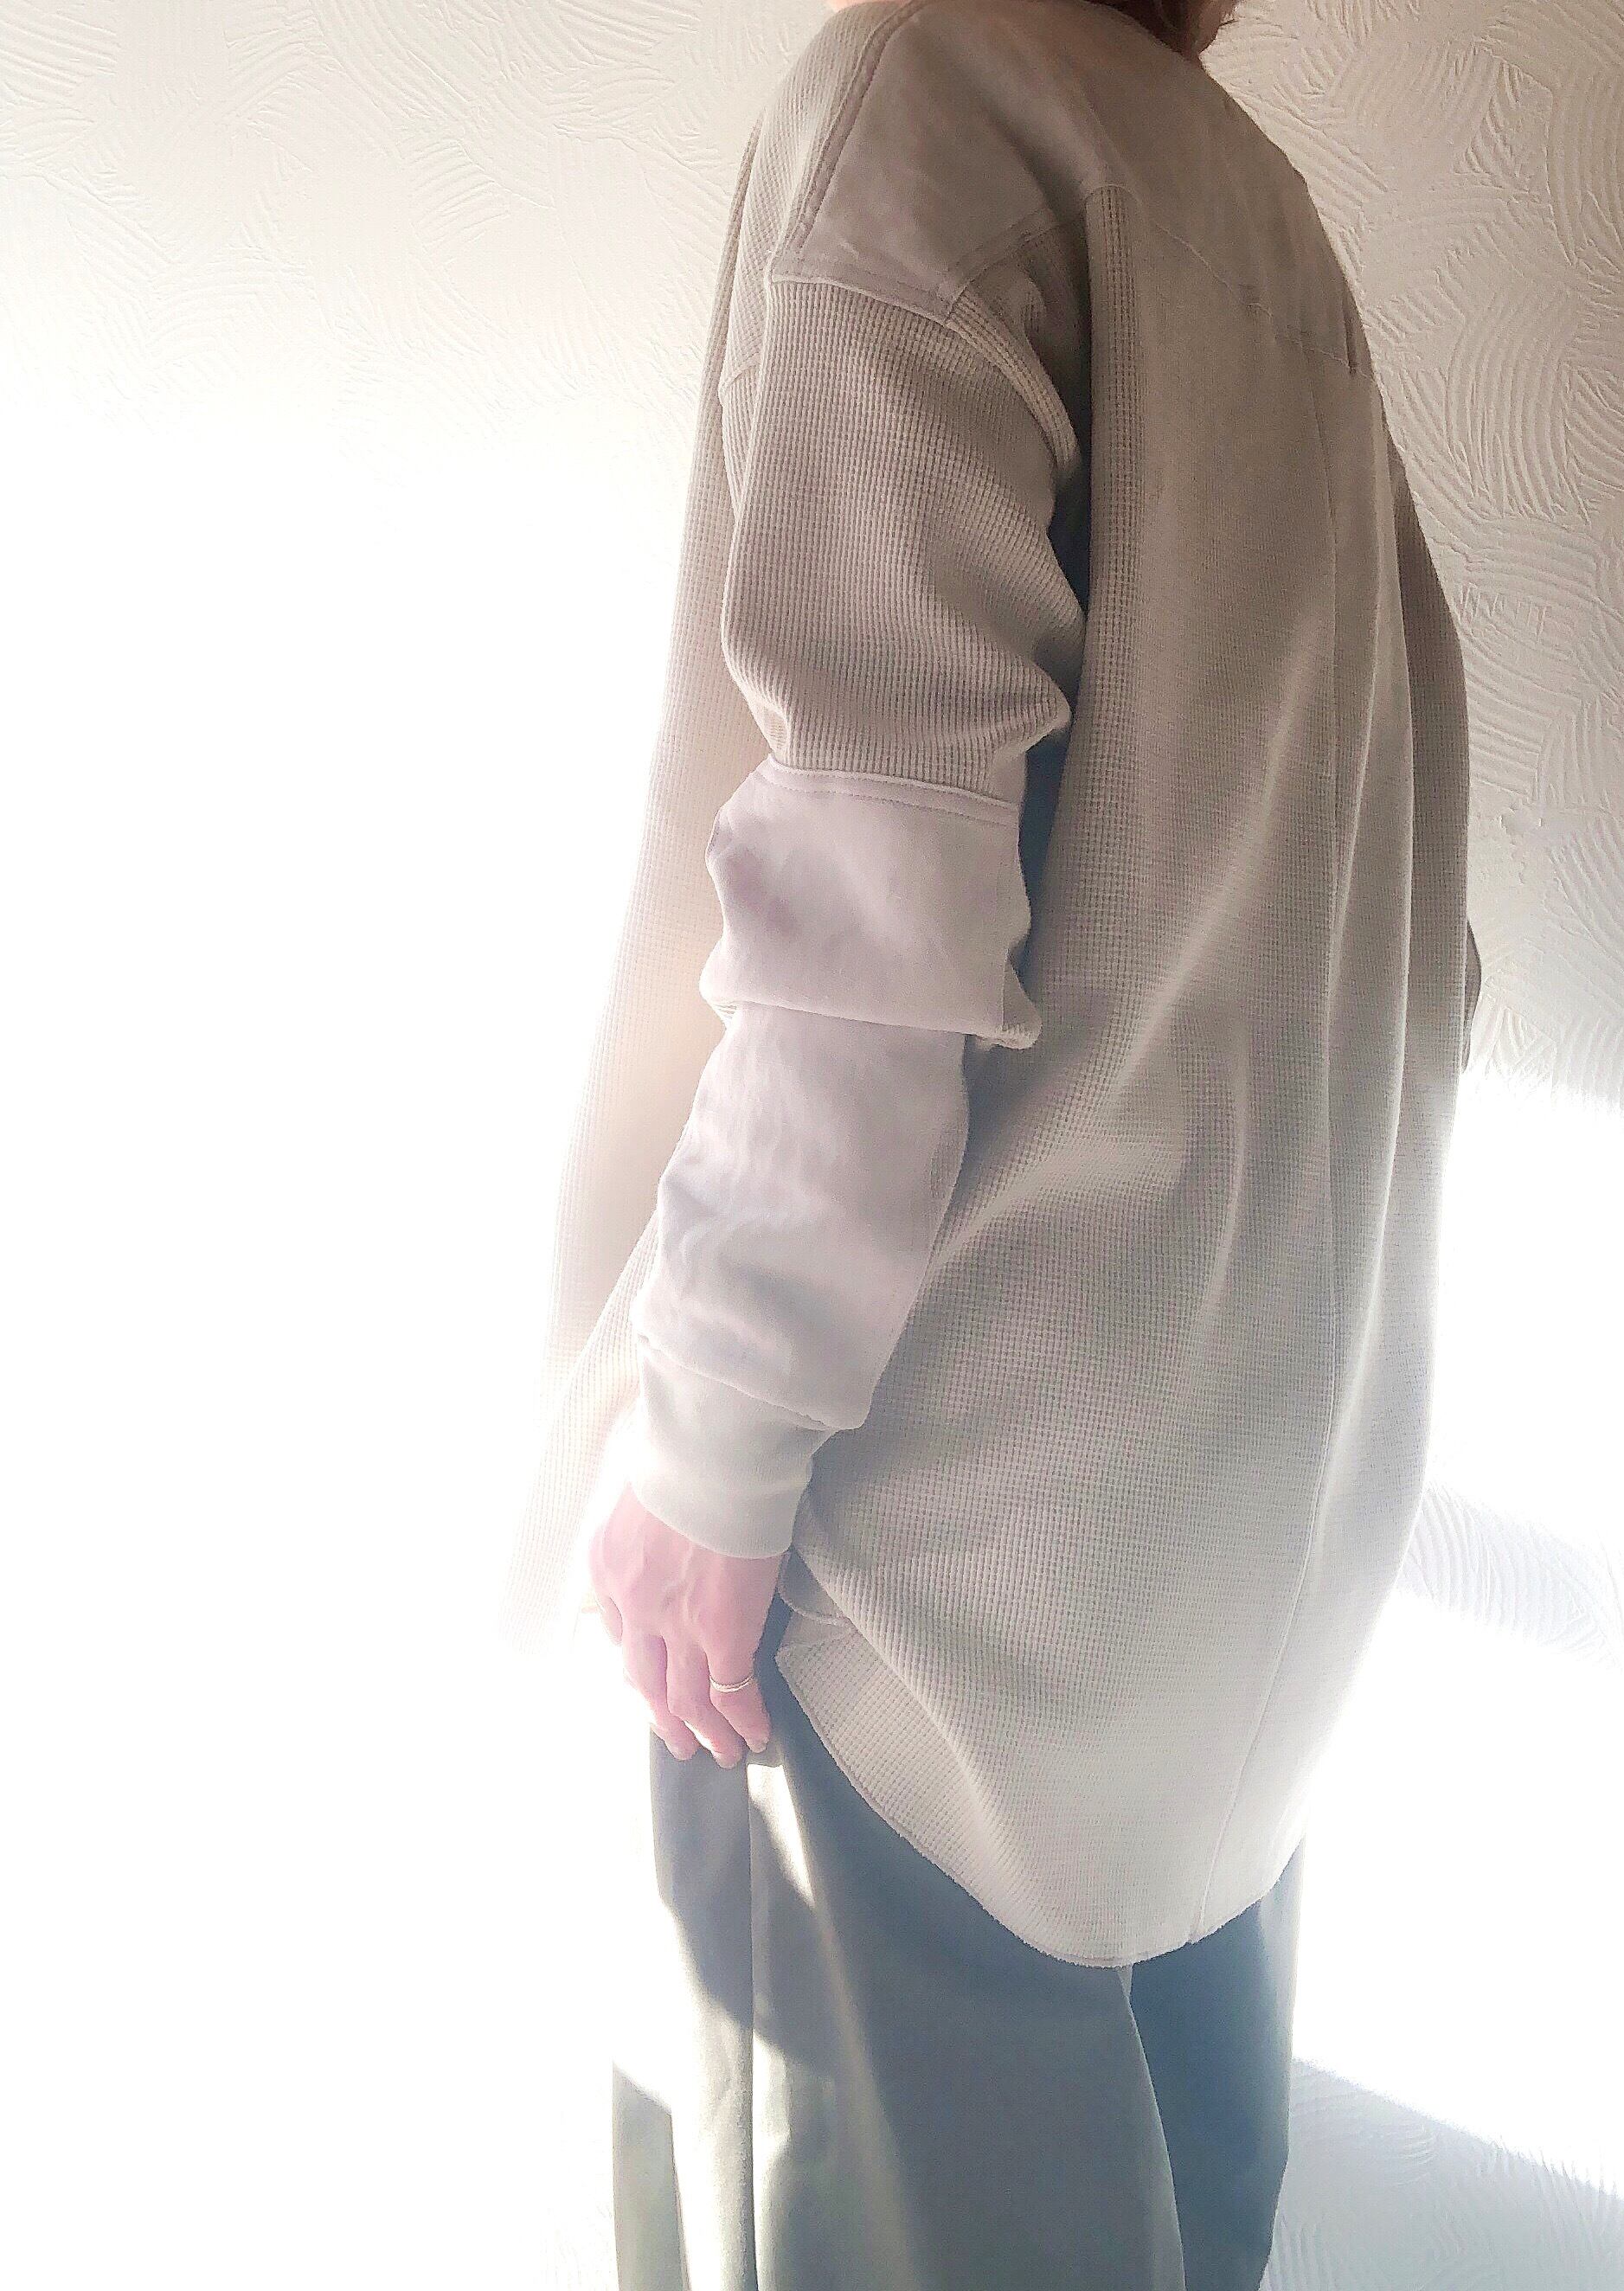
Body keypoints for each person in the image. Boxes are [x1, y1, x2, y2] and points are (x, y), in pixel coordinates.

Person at [500, 0, 1482, 2281]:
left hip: (920, 1599)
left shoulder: (930, 104)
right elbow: (1406, 948)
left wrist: (712, 1451)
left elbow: (872, 896)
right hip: (1210, 1596)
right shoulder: (1256, 211)